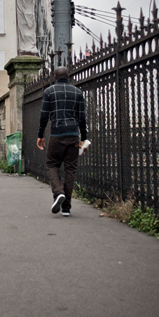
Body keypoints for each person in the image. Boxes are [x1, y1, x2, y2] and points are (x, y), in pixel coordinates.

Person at [36, 66, 88, 217]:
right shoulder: (78, 92)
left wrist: (40, 135)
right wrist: (84, 139)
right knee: (70, 169)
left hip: (57, 135)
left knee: (52, 164)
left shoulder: (49, 92)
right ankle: (66, 207)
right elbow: (82, 118)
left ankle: (58, 192)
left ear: (55, 77)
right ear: (68, 76)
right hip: (73, 134)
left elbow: (44, 116)